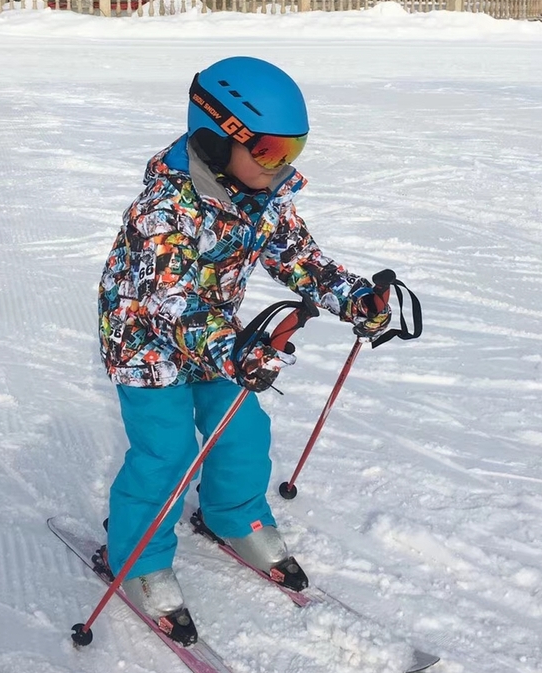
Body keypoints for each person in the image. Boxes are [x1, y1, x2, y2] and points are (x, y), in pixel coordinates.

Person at [97, 56, 391, 642]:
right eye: (269, 151)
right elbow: (171, 306)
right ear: (214, 139)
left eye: (293, 151)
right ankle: (139, 558)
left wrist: (354, 297)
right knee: (167, 451)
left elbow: (299, 258)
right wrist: (235, 351)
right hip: (146, 344)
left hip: (219, 341)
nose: (281, 167)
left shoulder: (261, 195)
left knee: (243, 431)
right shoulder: (164, 212)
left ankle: (233, 515)